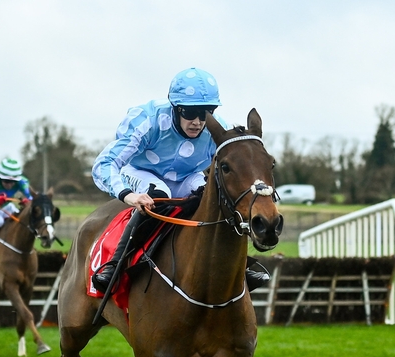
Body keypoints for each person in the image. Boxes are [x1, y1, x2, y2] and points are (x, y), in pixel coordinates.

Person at [90, 67, 269, 294]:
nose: (197, 121)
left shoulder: (216, 128)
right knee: (160, 193)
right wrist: (130, 195)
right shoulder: (147, 120)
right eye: (189, 112)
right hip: (140, 171)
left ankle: (240, 265)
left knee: (215, 198)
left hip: (187, 177)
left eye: (205, 112)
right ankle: (115, 263)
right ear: (175, 108)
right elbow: (103, 165)